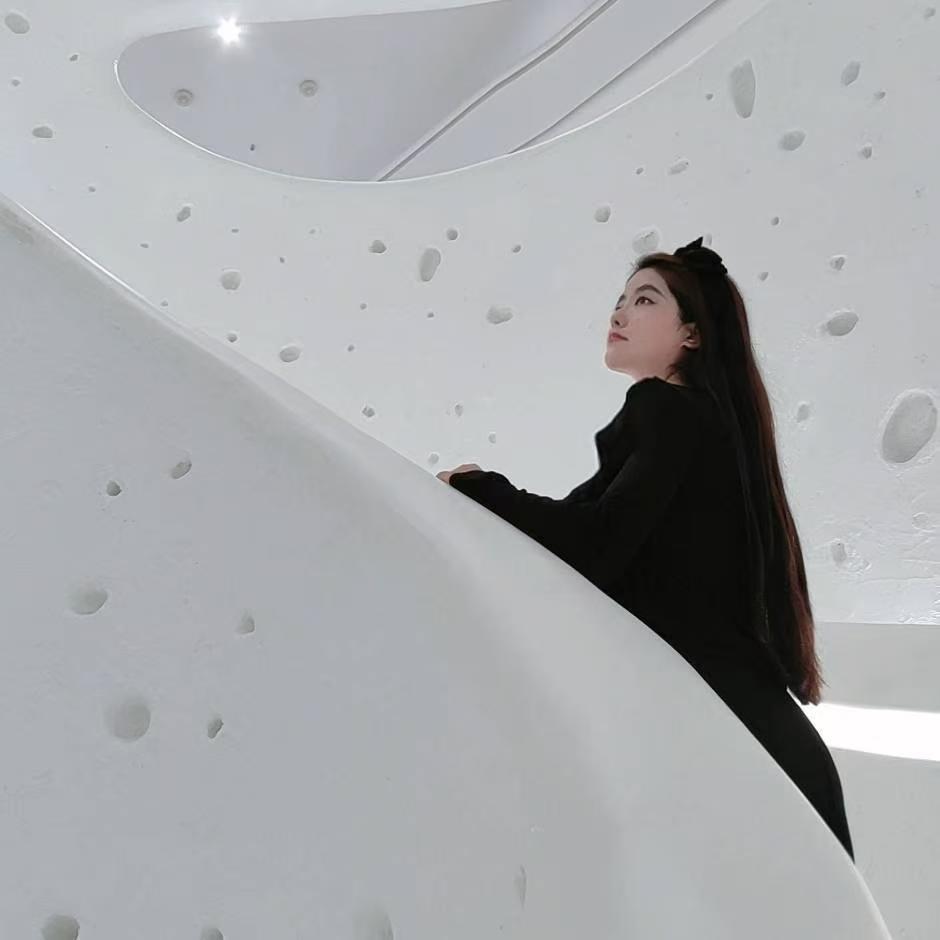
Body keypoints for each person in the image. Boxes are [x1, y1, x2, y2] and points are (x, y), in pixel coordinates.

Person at [437, 237, 856, 862]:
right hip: (765, 746)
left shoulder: (669, 411)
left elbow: (592, 544)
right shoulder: (706, 426)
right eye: (620, 299)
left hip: (740, 746)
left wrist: (480, 488)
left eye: (645, 299)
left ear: (691, 333)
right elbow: (592, 529)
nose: (619, 312)